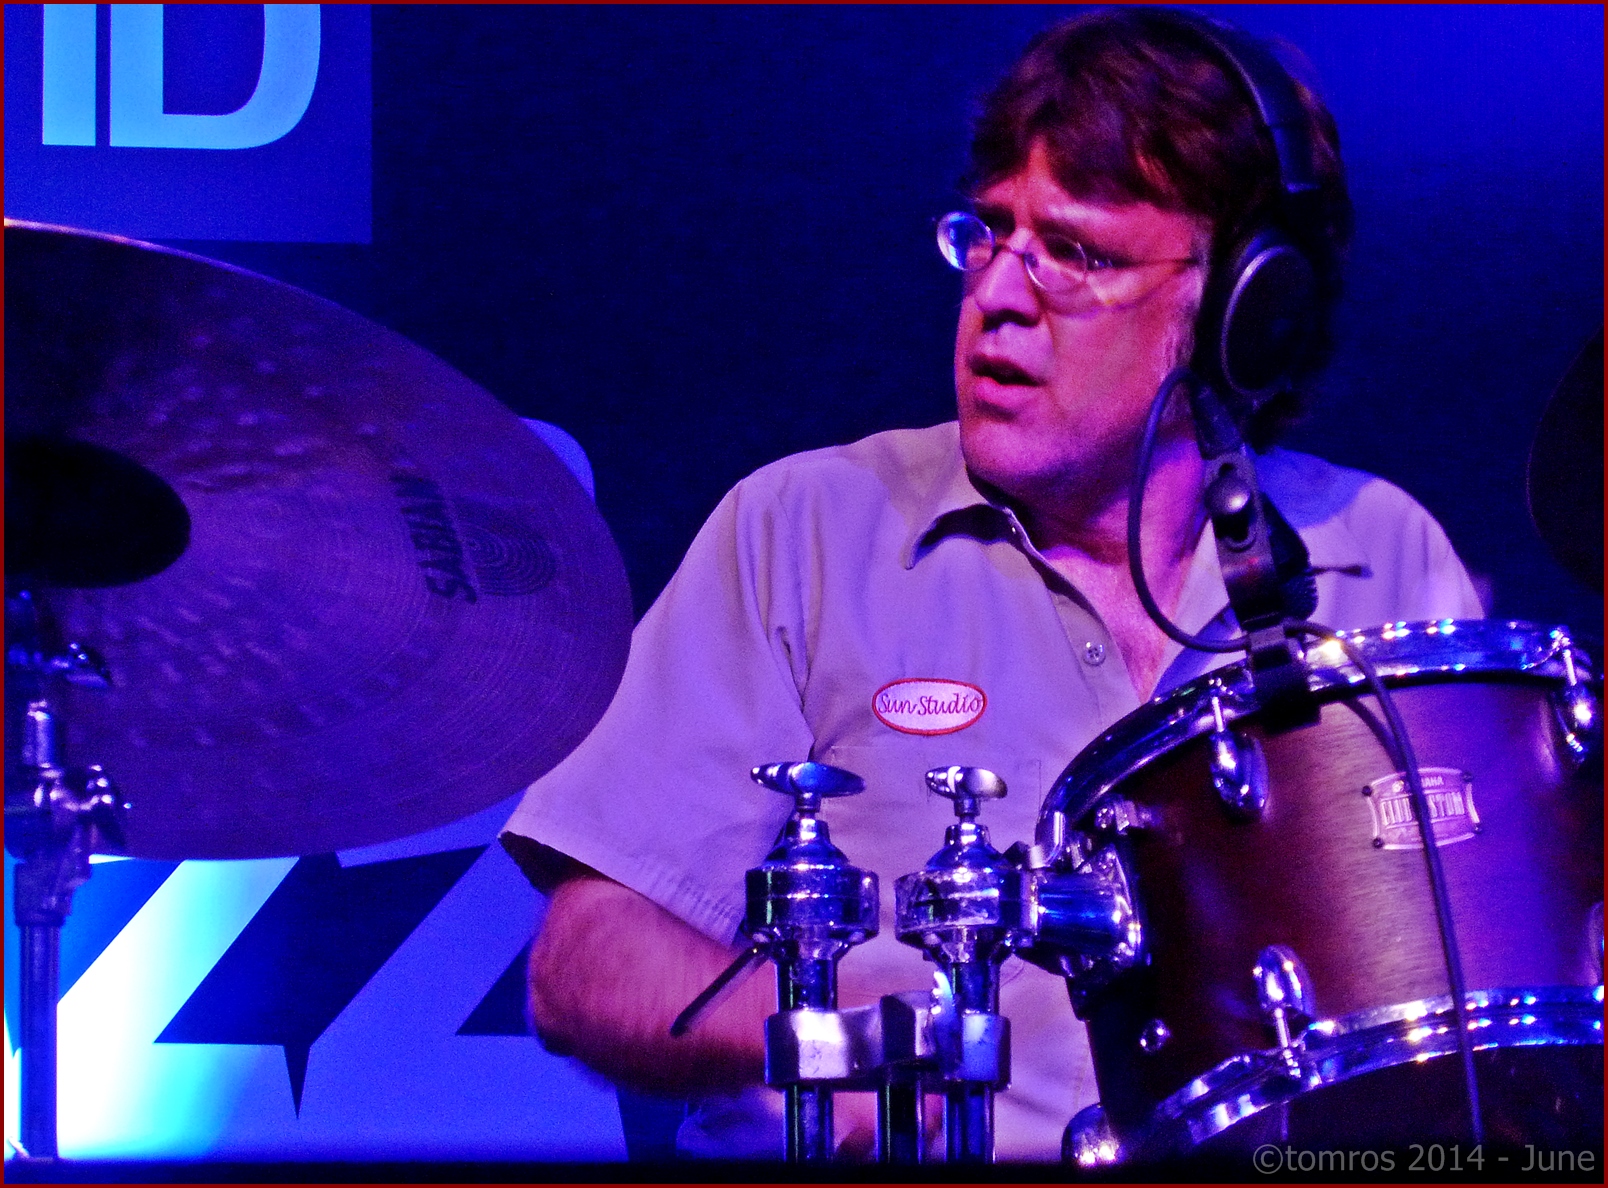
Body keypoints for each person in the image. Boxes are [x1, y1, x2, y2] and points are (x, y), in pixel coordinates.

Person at [500, 7, 1483, 1162]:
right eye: (989, 233)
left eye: (1078, 253)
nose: (1001, 295)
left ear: (1242, 311)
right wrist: (836, 1040)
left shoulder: (1382, 556)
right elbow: (586, 960)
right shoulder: (809, 532)